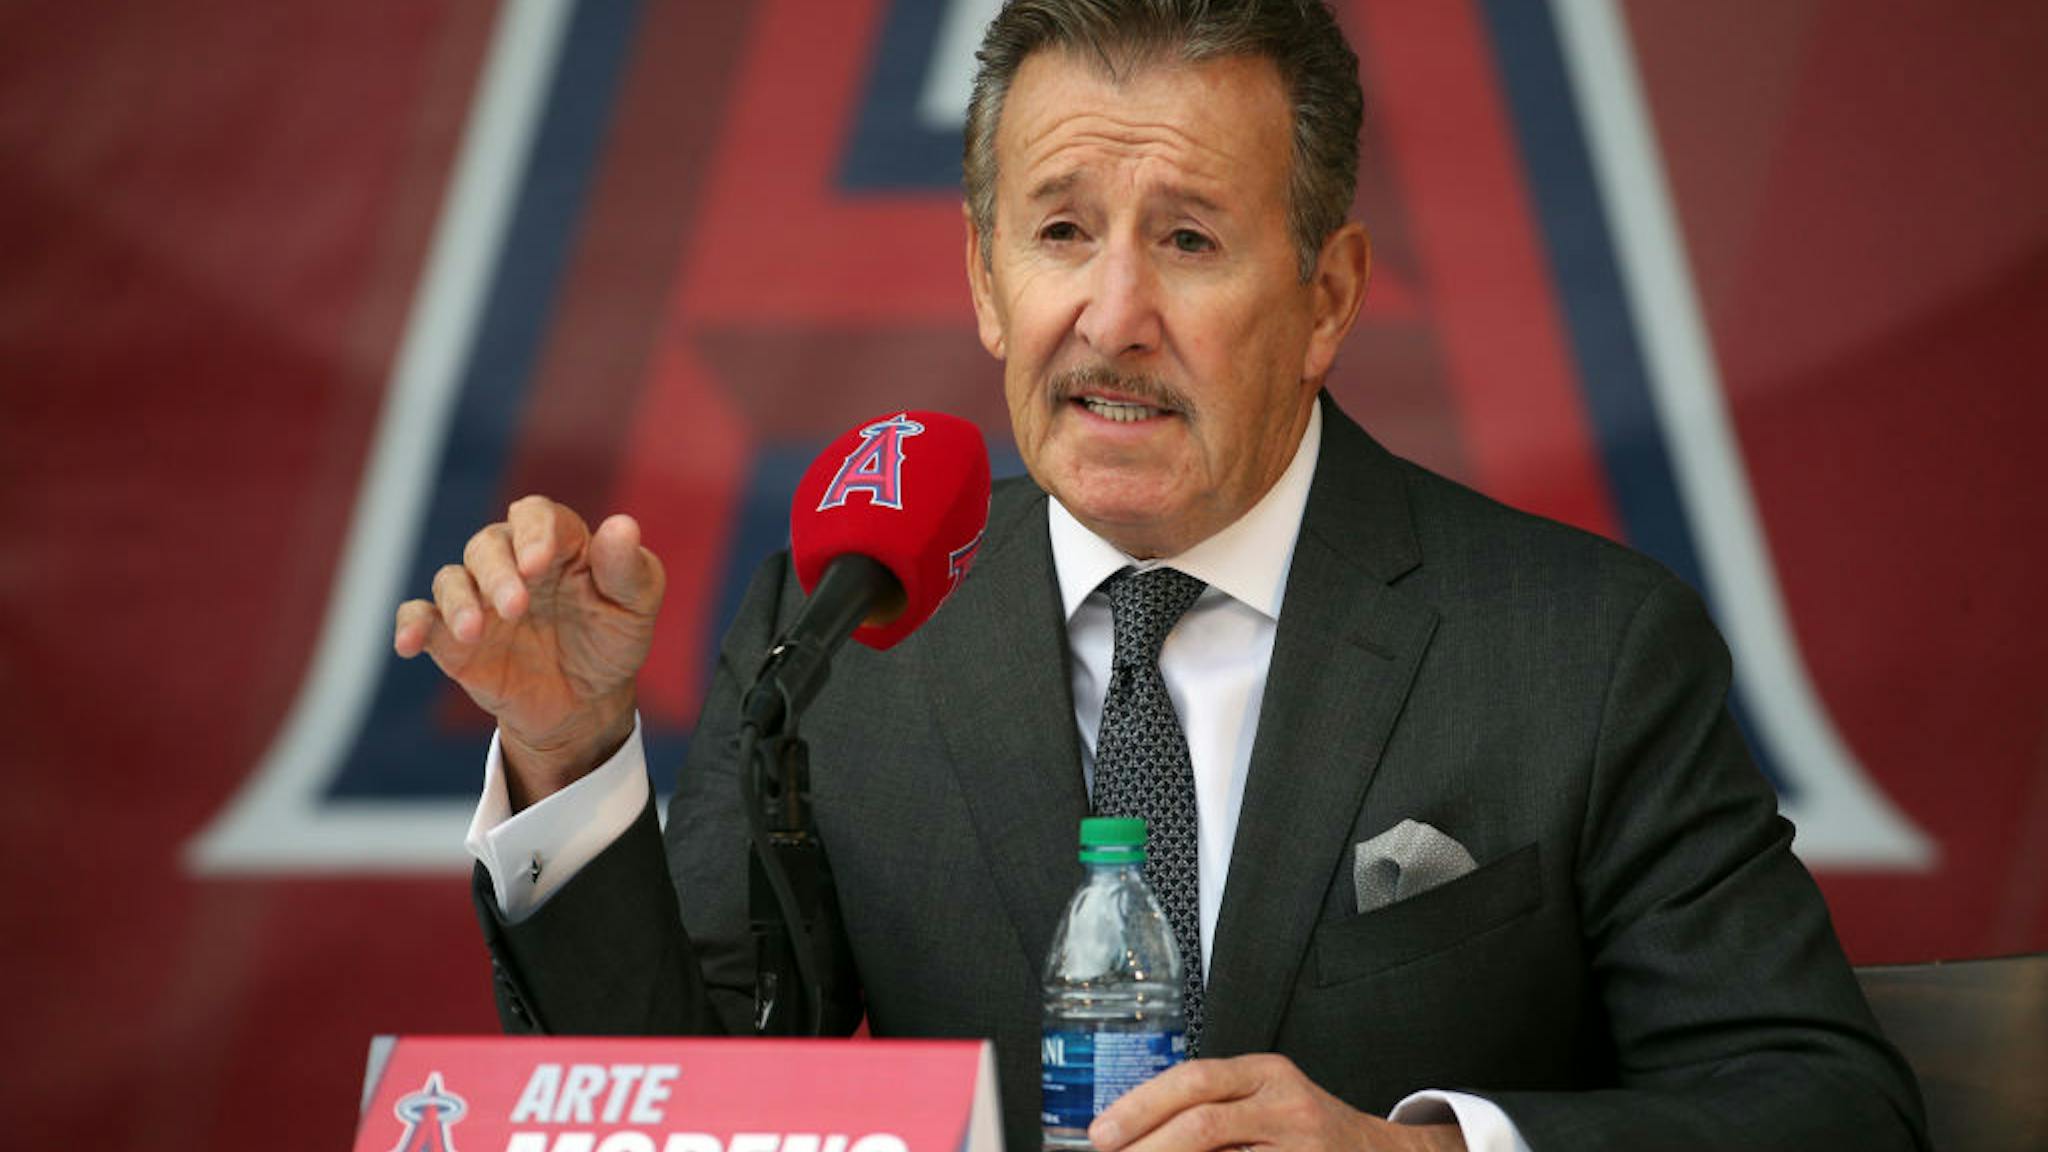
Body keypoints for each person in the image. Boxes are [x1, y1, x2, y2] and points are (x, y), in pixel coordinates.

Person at [393, 2, 1926, 1149]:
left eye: (1189, 240)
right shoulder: (844, 623)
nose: (1112, 314)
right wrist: (574, 755)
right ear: (989, 280)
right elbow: (688, 1098)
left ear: (1327, 295)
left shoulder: (1584, 651)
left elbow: (1828, 1109)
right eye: (1062, 231)